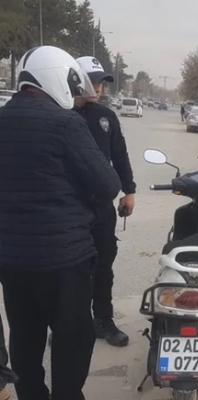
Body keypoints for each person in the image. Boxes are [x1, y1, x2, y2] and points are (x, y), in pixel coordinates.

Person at [0, 45, 121, 400]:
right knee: (74, 336)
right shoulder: (65, 123)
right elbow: (107, 184)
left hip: (12, 259)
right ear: (55, 78)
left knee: (24, 334)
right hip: (63, 259)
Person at [73, 56, 136, 347]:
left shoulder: (106, 117)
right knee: (72, 269)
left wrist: (129, 190)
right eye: (93, 81)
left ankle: (103, 319)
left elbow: (120, 156)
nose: (98, 88)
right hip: (70, 208)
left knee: (103, 266)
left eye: (100, 82)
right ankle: (71, 322)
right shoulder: (62, 114)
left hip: (102, 208)